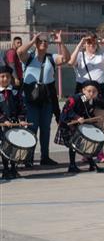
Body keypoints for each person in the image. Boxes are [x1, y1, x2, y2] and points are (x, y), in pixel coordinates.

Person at [17, 31, 69, 166]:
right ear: (36, 43)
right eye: (41, 41)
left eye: (46, 41)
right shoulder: (29, 58)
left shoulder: (51, 57)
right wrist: (32, 40)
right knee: (32, 129)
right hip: (31, 100)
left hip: (46, 99)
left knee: (45, 129)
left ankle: (45, 157)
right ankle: (28, 158)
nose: (44, 43)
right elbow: (19, 51)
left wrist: (61, 42)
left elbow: (66, 59)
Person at [69, 32, 104, 163]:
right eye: (89, 42)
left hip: (100, 91)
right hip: (84, 91)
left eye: (93, 42)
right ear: (85, 43)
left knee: (99, 121)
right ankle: (87, 151)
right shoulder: (80, 55)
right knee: (85, 120)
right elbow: (70, 62)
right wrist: (80, 45)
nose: (92, 44)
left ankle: (100, 152)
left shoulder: (102, 54)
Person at [54, 80, 102, 174]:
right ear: (83, 90)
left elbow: (87, 113)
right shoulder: (75, 98)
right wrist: (77, 117)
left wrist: (93, 119)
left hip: (78, 124)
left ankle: (91, 164)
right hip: (67, 124)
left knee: (84, 143)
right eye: (89, 91)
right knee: (73, 145)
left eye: (94, 92)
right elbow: (67, 110)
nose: (91, 93)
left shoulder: (91, 101)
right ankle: (72, 165)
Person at [0, 65, 28, 180]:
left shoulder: (16, 93)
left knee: (14, 146)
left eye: (7, 77)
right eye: (2, 76)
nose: (5, 79)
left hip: (14, 124)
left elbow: (22, 107)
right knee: (4, 147)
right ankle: (5, 169)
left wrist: (21, 120)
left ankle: (13, 168)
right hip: (2, 125)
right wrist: (3, 120)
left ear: (11, 78)